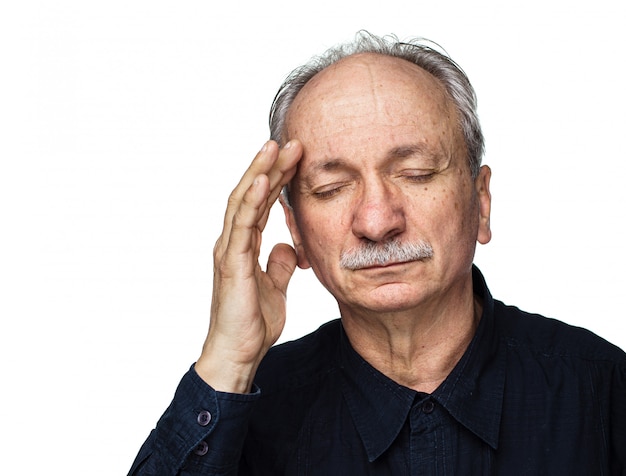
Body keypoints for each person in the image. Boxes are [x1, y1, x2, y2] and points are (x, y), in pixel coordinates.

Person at [128, 32, 626, 475]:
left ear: (480, 201)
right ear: (295, 229)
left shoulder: (604, 391)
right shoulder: (246, 414)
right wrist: (227, 362)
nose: (376, 220)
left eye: (416, 174)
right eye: (331, 187)